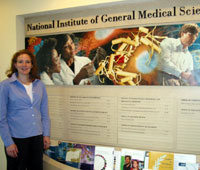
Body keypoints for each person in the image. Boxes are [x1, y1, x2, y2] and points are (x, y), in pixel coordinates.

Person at [0, 49, 51, 170]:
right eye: (21, 61)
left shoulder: (39, 84)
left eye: (28, 62)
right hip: (16, 139)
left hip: (37, 137)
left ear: (32, 65)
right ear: (15, 64)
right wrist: (8, 142)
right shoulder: (6, 85)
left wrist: (46, 134)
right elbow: (1, 117)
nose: (24, 65)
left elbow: (44, 113)